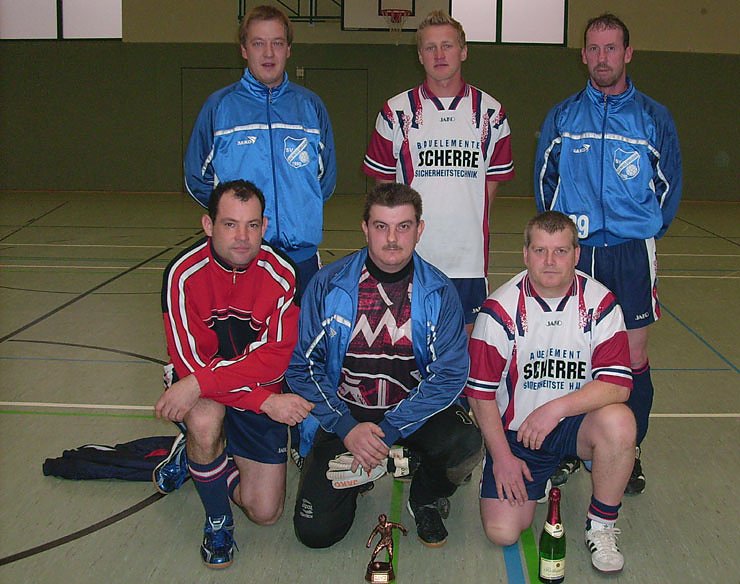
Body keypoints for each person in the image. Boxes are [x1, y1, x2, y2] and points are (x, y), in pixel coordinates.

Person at [287, 183, 483, 549]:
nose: (392, 239)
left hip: (413, 414)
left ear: (419, 229)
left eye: (403, 226)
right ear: (365, 228)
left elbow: (450, 374)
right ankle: (367, 469)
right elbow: (303, 368)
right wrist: (346, 428)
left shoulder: (439, 292)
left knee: (466, 443)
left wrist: (390, 429)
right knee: (316, 532)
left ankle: (424, 496)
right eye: (381, 226)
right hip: (347, 414)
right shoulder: (328, 286)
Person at [533, 13, 682, 494]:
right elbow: (545, 183)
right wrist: (564, 239)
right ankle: (570, 444)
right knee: (570, 352)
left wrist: (640, 229)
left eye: (611, 48)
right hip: (576, 254)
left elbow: (668, 188)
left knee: (632, 355)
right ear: (583, 55)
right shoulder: (562, 116)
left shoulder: (653, 117)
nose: (602, 58)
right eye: (594, 49)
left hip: (630, 254)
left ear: (627, 53)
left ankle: (628, 450)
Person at [153, 179, 313, 569]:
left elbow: (274, 360)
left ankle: (199, 460)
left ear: (264, 226)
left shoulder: (282, 273)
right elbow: (190, 367)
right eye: (230, 224)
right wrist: (263, 401)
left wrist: (205, 383)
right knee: (205, 420)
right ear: (208, 225)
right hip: (235, 393)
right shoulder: (182, 275)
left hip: (251, 387)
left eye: (252, 225)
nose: (242, 237)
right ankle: (217, 520)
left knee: (266, 512)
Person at [466, 211, 636, 574]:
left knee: (620, 422)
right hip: (519, 434)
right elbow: (479, 395)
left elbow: (618, 384)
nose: (549, 261)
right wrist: (502, 457)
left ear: (577, 254)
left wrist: (555, 409)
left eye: (560, 251)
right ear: (525, 254)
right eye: (540, 250)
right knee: (502, 532)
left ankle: (601, 525)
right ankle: (510, 471)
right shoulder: (498, 311)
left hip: (576, 424)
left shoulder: (601, 303)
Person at [362, 10, 514, 331]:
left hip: (468, 262)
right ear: (420, 55)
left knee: (465, 344)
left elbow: (489, 188)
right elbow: (383, 191)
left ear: (463, 51)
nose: (439, 54)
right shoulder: (395, 113)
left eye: (447, 45)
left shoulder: (492, 115)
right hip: (411, 257)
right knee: (408, 342)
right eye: (430, 47)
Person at [184, 4, 336, 300]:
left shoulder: (310, 106)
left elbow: (324, 179)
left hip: (301, 259)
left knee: (301, 331)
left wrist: (299, 209)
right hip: (240, 259)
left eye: (277, 43)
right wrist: (233, 220)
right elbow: (196, 178)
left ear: (288, 49)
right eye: (258, 43)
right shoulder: (219, 107)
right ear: (244, 50)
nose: (268, 53)